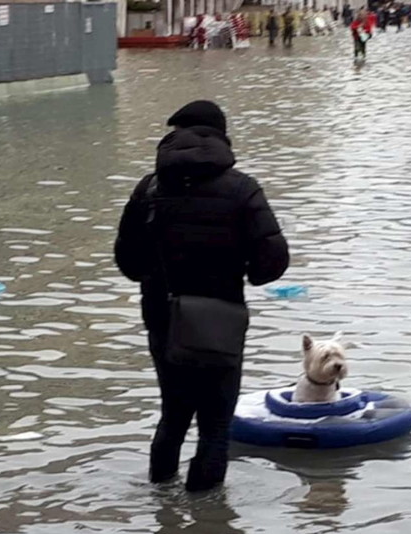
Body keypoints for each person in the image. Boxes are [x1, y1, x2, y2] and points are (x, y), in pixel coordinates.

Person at [115, 101, 289, 492]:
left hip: (163, 319)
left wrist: (160, 278)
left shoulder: (149, 189)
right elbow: (272, 261)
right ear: (221, 137)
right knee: (215, 425)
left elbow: (127, 261)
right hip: (221, 320)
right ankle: (207, 528)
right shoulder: (242, 189)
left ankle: (162, 504)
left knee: (173, 417)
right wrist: (236, 270)